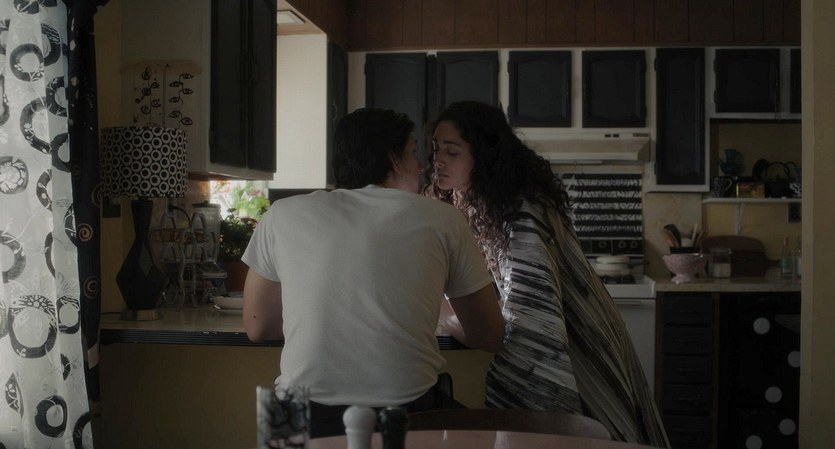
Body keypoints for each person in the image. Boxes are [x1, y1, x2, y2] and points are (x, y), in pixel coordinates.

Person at [241, 107, 505, 438]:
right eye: (414, 152)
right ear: (393, 159)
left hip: (295, 416)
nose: (422, 166)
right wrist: (430, 303)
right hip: (403, 414)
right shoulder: (442, 218)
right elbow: (489, 334)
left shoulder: (282, 214)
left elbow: (257, 326)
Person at [424, 101, 670, 448]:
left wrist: (442, 308)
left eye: (452, 152)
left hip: (580, 340)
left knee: (597, 430)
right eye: (436, 148)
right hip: (573, 336)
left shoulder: (522, 213)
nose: (438, 160)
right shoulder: (481, 202)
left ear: (484, 156)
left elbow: (528, 322)